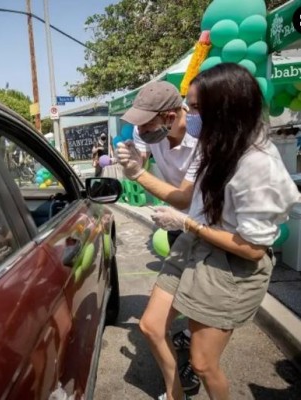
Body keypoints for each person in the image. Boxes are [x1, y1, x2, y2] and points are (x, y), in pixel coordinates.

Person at [121, 63, 299, 400]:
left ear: (226, 109)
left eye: (196, 108)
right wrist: (135, 165)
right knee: (150, 326)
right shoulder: (218, 144)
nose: (189, 115)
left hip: (229, 263)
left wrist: (186, 223)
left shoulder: (259, 164)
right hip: (195, 241)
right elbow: (193, 199)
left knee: (203, 363)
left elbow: (251, 249)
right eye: (189, 106)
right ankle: (175, 395)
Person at [117, 81, 202, 391]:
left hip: (209, 225)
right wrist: (131, 160)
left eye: (146, 122)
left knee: (200, 294)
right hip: (179, 224)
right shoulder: (146, 132)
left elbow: (183, 197)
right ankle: (190, 340)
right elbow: (140, 159)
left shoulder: (202, 139)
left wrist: (138, 174)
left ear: (170, 116)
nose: (140, 129)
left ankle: (196, 359)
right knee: (181, 293)